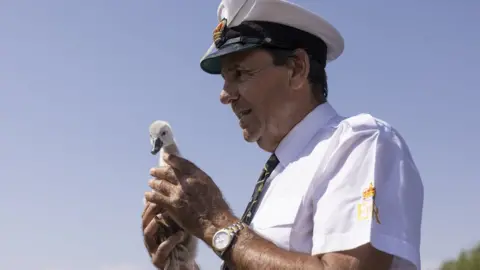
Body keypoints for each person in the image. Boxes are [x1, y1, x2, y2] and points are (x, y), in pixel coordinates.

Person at [141, 0, 424, 269]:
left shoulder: (359, 143)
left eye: (239, 73)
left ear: (297, 69)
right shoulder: (282, 174)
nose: (224, 95)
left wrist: (214, 222)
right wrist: (180, 263)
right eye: (225, 80)